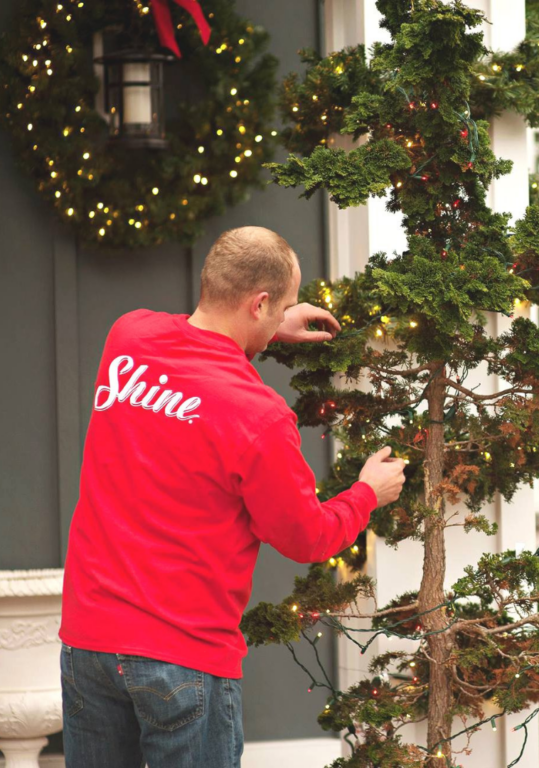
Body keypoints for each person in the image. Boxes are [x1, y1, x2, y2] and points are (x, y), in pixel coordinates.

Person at [58, 226, 406, 768]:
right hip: (183, 658)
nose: (286, 314)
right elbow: (308, 537)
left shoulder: (127, 338)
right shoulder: (260, 416)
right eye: (282, 305)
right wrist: (365, 494)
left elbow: (199, 356)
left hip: (89, 645)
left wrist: (265, 328)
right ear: (258, 302)